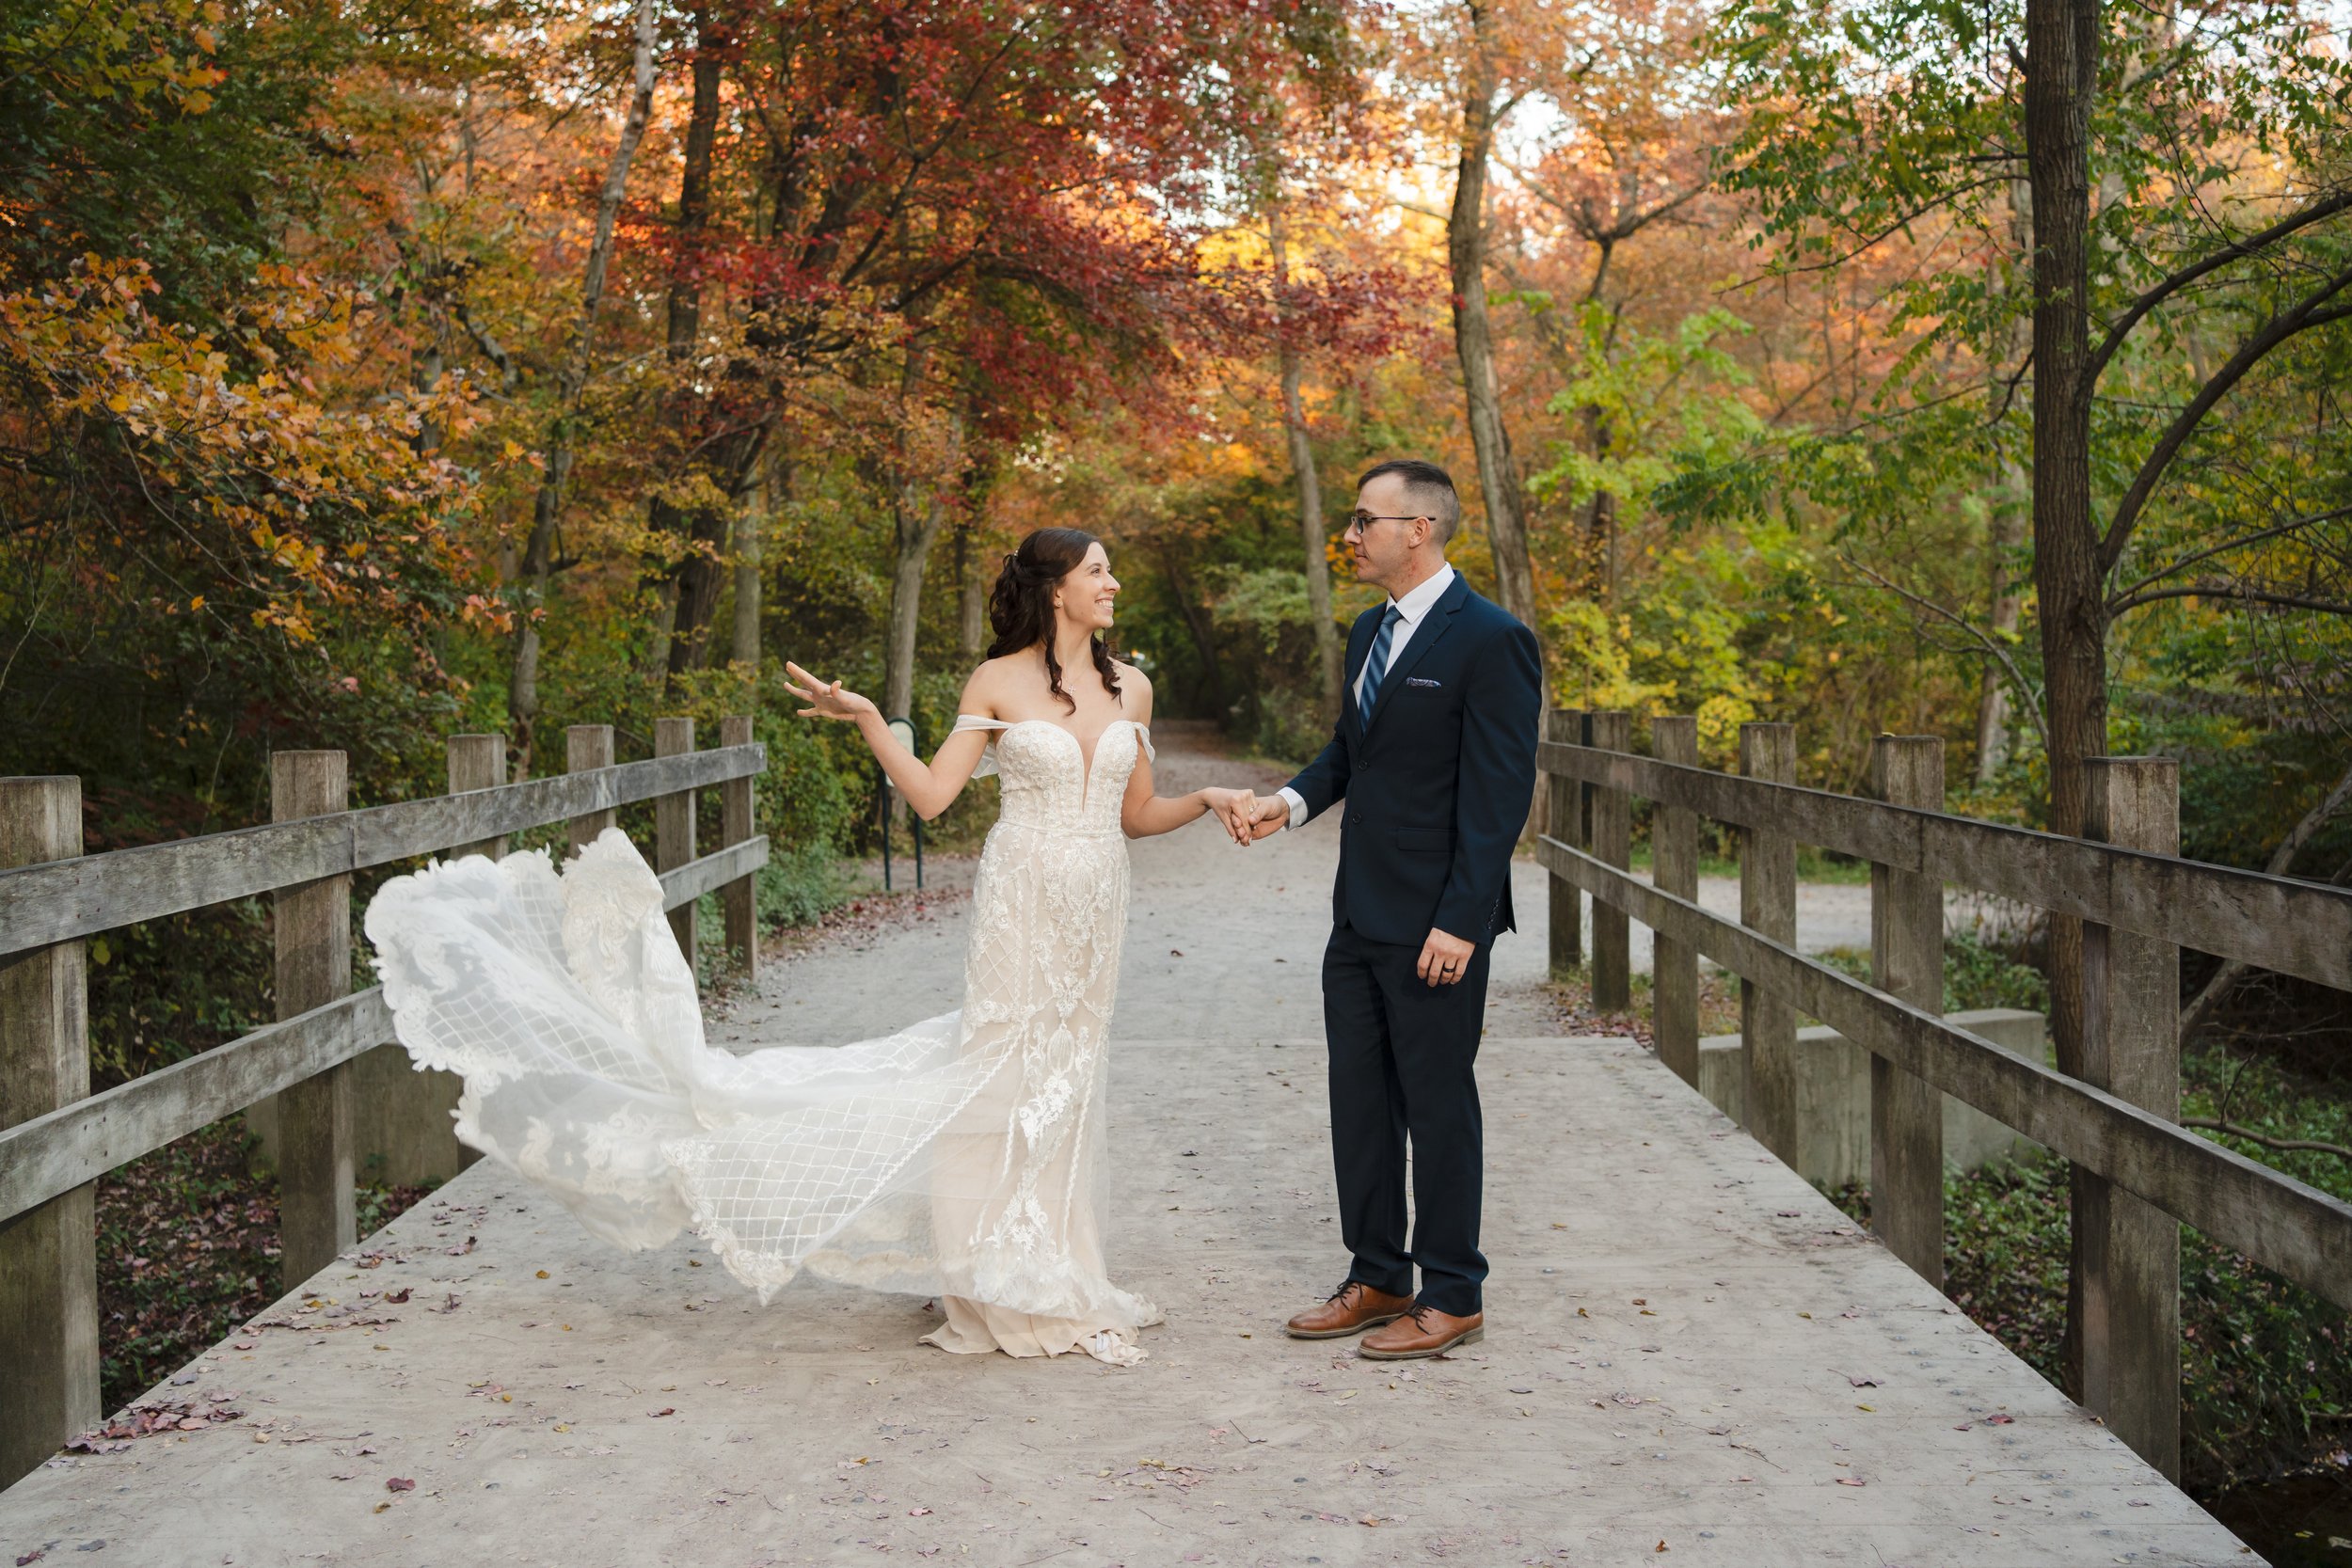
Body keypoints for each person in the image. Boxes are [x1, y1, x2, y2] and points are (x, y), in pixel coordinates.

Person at [363, 527, 1261, 1366]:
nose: (1113, 583)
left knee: (1066, 1077)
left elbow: (1137, 813)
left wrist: (1208, 797)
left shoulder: (1131, 687)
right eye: (1097, 570)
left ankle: (1055, 1260)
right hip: (1021, 898)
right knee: (993, 1071)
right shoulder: (994, 680)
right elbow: (933, 799)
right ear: (1057, 588)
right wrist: (873, 718)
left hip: (1097, 902)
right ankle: (986, 1278)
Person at [1240, 458, 1542, 1360]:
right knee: (1361, 1100)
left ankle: (1453, 1290)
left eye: (1365, 519)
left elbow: (1498, 797)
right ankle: (1378, 1273)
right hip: (1357, 913)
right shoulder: (1370, 629)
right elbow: (1348, 753)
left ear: (1420, 529)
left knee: (1438, 1104)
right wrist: (1285, 803)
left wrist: (1462, 918)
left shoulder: (1492, 639)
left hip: (1437, 924)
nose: (1352, 535)